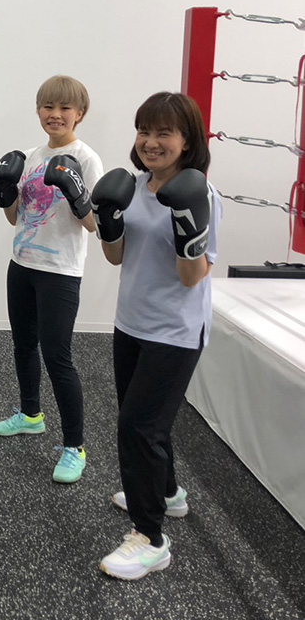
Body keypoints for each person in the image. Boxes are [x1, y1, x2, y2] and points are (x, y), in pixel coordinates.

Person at [94, 92, 220, 580]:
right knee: (147, 423)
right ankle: (167, 494)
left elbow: (192, 278)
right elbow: (117, 258)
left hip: (176, 330)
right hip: (131, 322)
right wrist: (108, 223)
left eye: (164, 133)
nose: (150, 142)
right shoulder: (133, 188)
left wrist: (188, 230)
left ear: (187, 141)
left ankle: (150, 539)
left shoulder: (202, 195)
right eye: (144, 131)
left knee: (138, 428)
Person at [0, 75, 101, 485]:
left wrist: (78, 195)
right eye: (47, 107)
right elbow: (15, 217)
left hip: (61, 272)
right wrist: (5, 193)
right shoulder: (33, 156)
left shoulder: (87, 159)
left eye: (64, 108)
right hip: (22, 264)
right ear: (38, 110)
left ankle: (75, 446)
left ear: (79, 114)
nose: (55, 115)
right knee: (23, 345)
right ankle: (31, 414)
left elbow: (95, 225)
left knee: (58, 356)